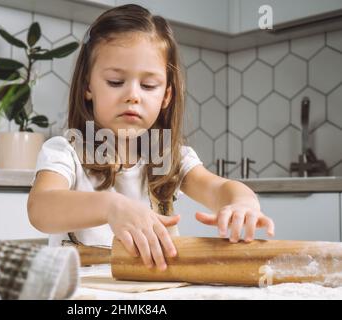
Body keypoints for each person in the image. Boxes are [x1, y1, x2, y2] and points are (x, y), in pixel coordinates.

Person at [27, 4, 275, 271]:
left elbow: (219, 189)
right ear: (88, 86)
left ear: (166, 95)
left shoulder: (171, 157)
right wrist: (112, 207)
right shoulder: (65, 151)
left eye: (148, 86)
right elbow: (41, 208)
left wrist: (242, 204)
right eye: (115, 82)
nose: (133, 95)